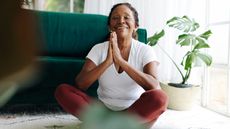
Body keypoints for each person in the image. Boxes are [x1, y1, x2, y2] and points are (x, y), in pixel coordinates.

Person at [55, 2, 168, 126]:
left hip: (133, 110)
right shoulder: (98, 49)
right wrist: (108, 61)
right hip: (102, 110)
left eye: (126, 17)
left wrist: (121, 62)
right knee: (62, 91)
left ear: (135, 26)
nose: (121, 21)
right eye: (115, 18)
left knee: (160, 98)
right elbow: (80, 84)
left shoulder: (145, 50)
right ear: (110, 27)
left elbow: (154, 85)